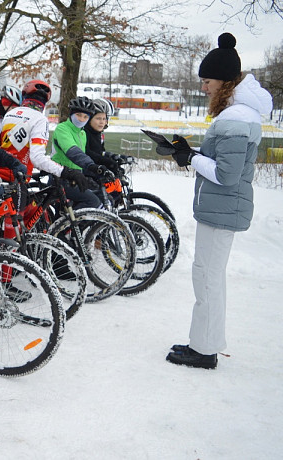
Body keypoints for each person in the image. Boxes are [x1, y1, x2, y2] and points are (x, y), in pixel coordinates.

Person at [165, 33, 272, 370]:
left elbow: (226, 175)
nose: (204, 88)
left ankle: (204, 350)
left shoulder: (237, 117)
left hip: (221, 209)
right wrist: (189, 152)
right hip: (219, 208)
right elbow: (224, 164)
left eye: (207, 81)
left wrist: (189, 158)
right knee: (206, 275)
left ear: (225, 82)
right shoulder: (237, 114)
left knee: (208, 277)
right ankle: (203, 343)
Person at [0, 80, 89, 188]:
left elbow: (1, 142)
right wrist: (65, 172)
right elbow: (37, 158)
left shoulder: (10, 114)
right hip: (18, 178)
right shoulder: (39, 119)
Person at [50, 95, 115, 208]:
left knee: (101, 199)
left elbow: (82, 158)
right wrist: (92, 166)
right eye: (78, 115)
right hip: (60, 177)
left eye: (85, 116)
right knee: (94, 202)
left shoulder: (82, 133)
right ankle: (70, 226)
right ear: (71, 114)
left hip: (75, 177)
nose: (81, 119)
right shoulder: (62, 128)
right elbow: (73, 152)